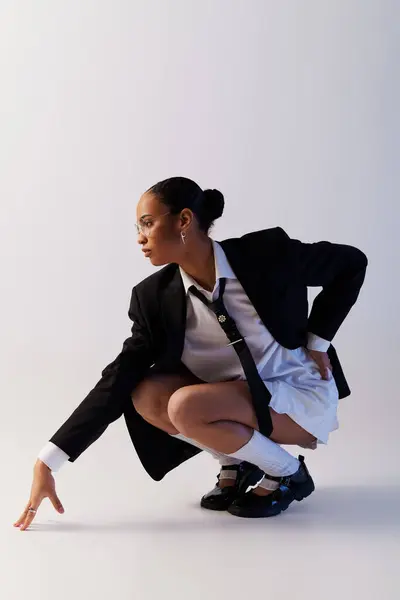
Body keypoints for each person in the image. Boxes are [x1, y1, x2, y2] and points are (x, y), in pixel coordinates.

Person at [14, 176, 368, 530]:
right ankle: (236, 460)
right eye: (137, 227)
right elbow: (118, 377)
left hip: (296, 393)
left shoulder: (265, 254)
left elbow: (351, 264)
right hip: (229, 400)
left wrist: (317, 340)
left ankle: (288, 473)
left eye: (147, 223)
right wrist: (48, 461)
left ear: (184, 220)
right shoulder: (154, 297)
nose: (140, 237)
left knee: (186, 406)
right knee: (145, 393)